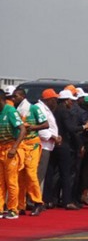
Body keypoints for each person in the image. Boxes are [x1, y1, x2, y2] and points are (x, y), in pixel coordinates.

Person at [14, 87, 49, 216]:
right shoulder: (16, 110)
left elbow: (46, 124)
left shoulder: (33, 108)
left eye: (16, 96)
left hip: (32, 145)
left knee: (31, 173)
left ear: (22, 96)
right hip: (21, 145)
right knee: (20, 175)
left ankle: (38, 202)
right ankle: (20, 205)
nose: (14, 99)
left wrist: (32, 127)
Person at [0, 90, 28, 219]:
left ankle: (13, 209)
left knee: (11, 180)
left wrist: (14, 148)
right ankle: (0, 208)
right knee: (1, 181)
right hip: (1, 148)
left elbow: (22, 129)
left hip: (10, 149)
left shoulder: (10, 111)